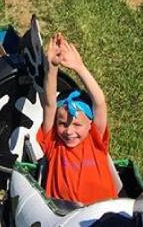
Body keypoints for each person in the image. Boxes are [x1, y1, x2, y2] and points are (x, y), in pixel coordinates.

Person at [39, 32, 116, 205]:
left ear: (90, 124)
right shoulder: (54, 144)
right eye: (62, 124)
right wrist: (52, 68)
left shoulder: (95, 141)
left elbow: (100, 102)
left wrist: (79, 68)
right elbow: (50, 104)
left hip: (104, 216)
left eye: (77, 124)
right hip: (65, 218)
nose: (69, 131)